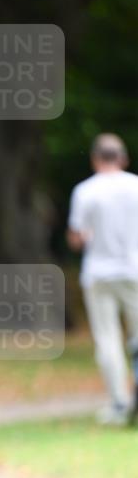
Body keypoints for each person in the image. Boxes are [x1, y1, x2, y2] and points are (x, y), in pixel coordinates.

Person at [67, 134, 138, 426]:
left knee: (108, 340)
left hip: (98, 273)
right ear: (123, 158)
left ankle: (120, 404)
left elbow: (77, 236)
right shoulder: (135, 186)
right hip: (134, 270)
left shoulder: (86, 191)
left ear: (95, 159)